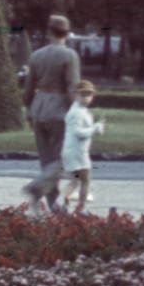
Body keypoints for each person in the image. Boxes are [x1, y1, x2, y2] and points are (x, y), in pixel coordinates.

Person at [20, 14, 81, 215]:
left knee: (46, 161)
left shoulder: (36, 55)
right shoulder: (69, 56)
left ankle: (54, 206)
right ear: (66, 33)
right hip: (59, 111)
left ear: (49, 32)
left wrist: (29, 111)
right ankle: (37, 187)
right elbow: (73, 88)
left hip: (39, 109)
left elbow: (28, 91)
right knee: (65, 157)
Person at [58, 81, 105, 214]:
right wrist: (95, 128)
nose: (86, 98)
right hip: (77, 152)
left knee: (76, 181)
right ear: (74, 96)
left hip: (74, 150)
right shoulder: (78, 112)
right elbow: (79, 133)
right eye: (82, 95)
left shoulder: (79, 110)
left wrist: (95, 127)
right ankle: (80, 208)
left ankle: (60, 202)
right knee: (85, 179)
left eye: (89, 95)